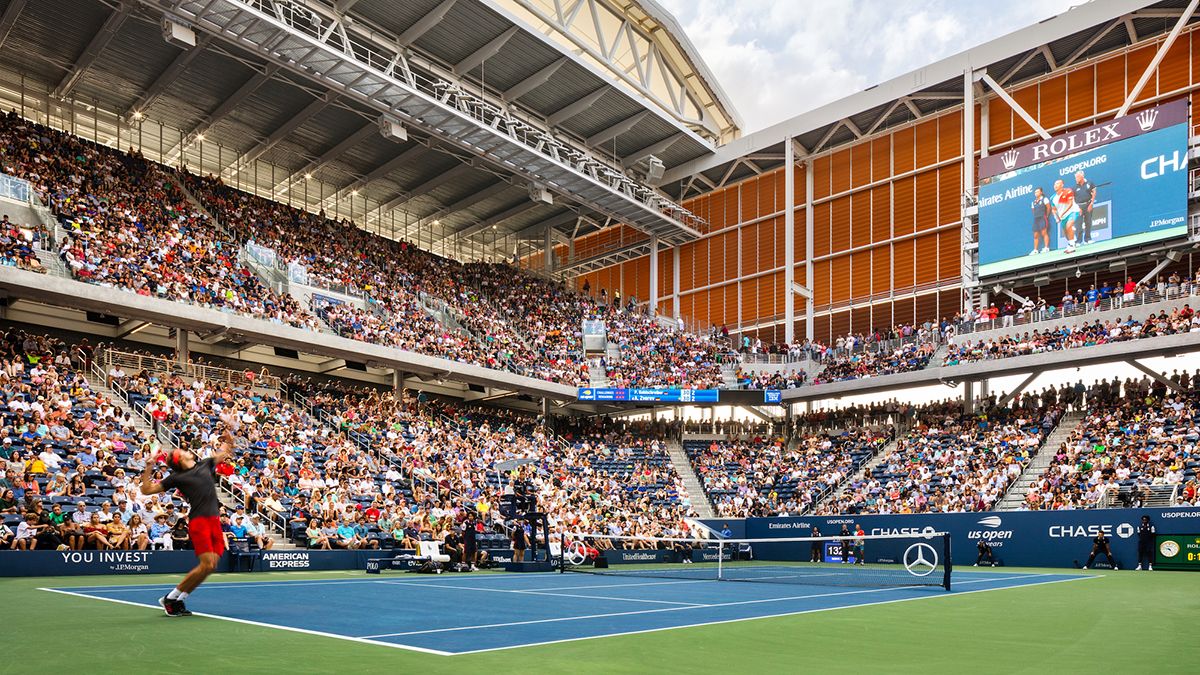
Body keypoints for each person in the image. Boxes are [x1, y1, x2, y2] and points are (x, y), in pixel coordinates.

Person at [140, 431, 238, 617]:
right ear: (178, 459)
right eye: (181, 451)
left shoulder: (206, 464)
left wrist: (229, 435)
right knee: (207, 564)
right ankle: (170, 598)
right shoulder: (176, 477)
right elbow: (146, 490)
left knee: (211, 566)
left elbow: (225, 451)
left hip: (214, 520)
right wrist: (149, 467)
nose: (185, 450)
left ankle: (178, 598)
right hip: (199, 521)